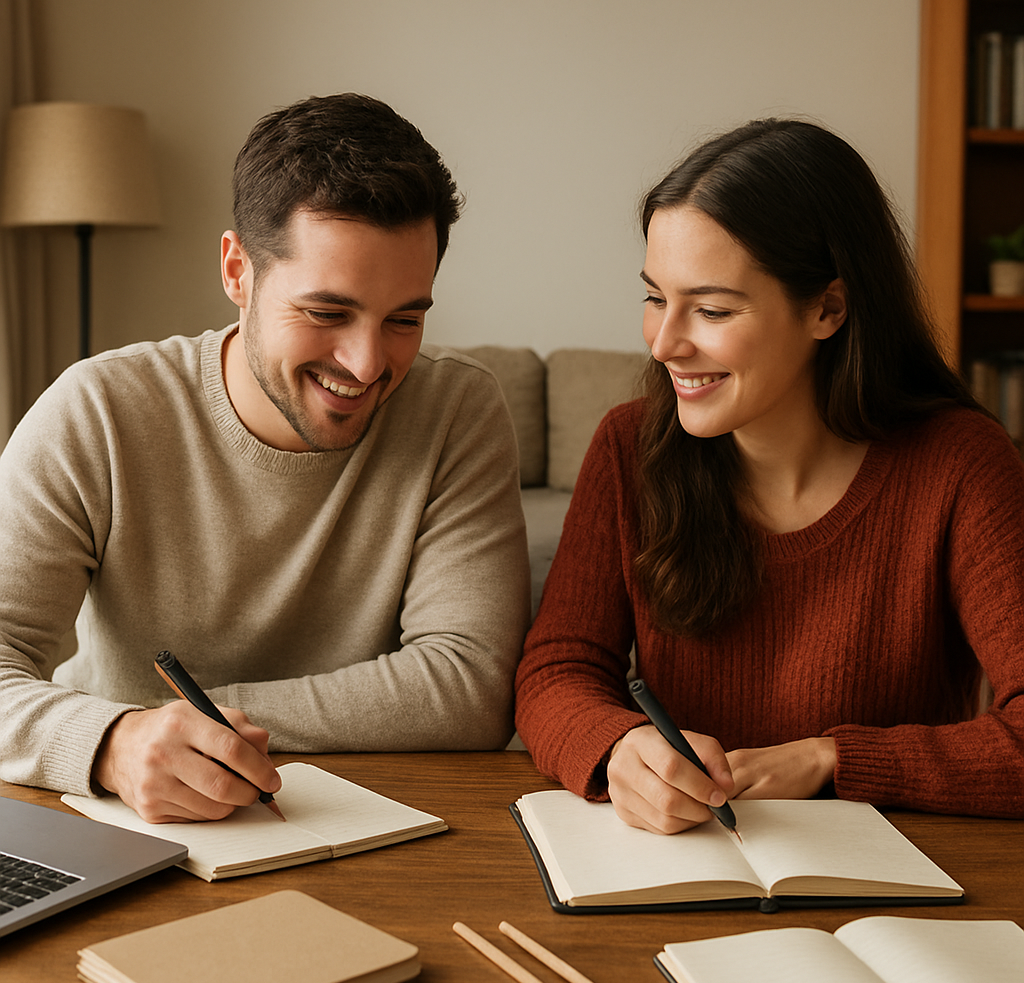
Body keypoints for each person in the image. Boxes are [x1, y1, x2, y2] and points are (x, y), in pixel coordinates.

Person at [0, 93, 530, 823]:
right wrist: (115, 741)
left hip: (372, 821)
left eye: (405, 320)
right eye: (326, 313)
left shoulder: (457, 413)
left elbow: (470, 689)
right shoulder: (97, 411)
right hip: (127, 812)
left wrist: (193, 723)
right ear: (237, 271)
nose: (368, 363)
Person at [514, 118, 1024, 834]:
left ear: (827, 308)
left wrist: (828, 761)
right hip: (682, 868)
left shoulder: (961, 462)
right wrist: (619, 747)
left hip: (898, 884)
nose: (665, 343)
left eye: (714, 309)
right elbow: (555, 670)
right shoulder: (628, 447)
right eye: (656, 297)